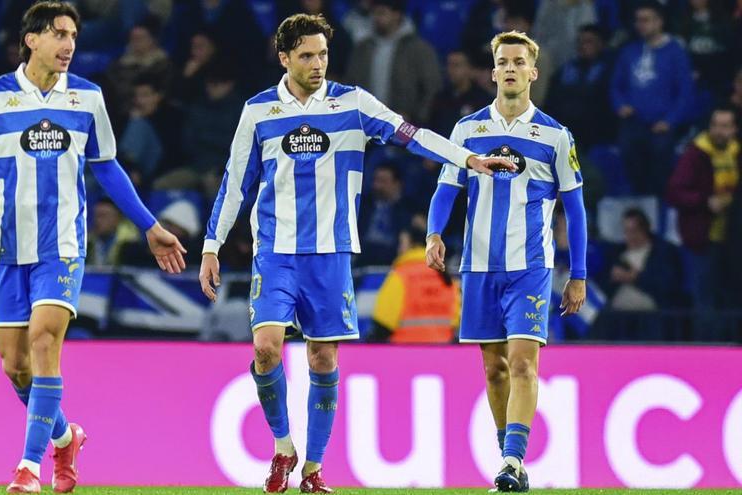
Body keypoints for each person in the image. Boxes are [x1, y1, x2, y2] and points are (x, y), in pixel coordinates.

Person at [197, 13, 513, 494]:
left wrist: (465, 157)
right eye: (306, 55)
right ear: (284, 58)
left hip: (332, 255)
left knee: (323, 359)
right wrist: (211, 246)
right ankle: (283, 446)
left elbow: (411, 134)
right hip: (276, 253)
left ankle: (313, 470)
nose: (318, 63)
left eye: (323, 53)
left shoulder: (353, 104)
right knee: (265, 348)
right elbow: (234, 183)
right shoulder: (259, 111)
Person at [0, 3, 187, 493]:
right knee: (15, 365)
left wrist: (149, 225)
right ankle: (66, 436)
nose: (68, 45)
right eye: (59, 34)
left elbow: (106, 166)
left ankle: (28, 467)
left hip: (62, 245)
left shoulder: (87, 97)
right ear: (31, 40)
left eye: (73, 36)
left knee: (45, 343)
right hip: (5, 248)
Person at [425, 30, 587, 492]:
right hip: (478, 267)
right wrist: (434, 233)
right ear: (493, 71)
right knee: (494, 368)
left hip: (530, 267)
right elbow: (446, 189)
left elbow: (574, 209)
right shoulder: (467, 130)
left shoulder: (555, 136)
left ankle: (514, 462)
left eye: (519, 61)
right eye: (503, 61)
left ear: (533, 72)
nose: (511, 68)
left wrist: (577, 275)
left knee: (521, 363)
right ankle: (508, 461)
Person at [666, 107, 739, 339]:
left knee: (731, 298)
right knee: (704, 301)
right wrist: (705, 202)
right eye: (716, 125)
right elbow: (674, 192)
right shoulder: (696, 154)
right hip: (702, 241)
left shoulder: (737, 154)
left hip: (732, 242)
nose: (720, 131)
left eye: (725, 126)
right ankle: (707, 352)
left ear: (735, 129)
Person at [610, 1, 694, 196]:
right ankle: (638, 203)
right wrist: (620, 105)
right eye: (638, 20)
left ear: (659, 22)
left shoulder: (676, 51)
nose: (641, 25)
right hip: (634, 121)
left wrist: (670, 121)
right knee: (628, 153)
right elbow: (616, 85)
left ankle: (659, 206)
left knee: (660, 161)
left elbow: (686, 92)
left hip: (662, 123)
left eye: (646, 20)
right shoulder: (629, 50)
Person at [368, 216, 460, 343]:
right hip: (443, 353)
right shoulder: (446, 275)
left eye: (402, 243)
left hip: (405, 354)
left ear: (412, 244)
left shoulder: (400, 276)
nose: (399, 249)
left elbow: (383, 324)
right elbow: (457, 321)